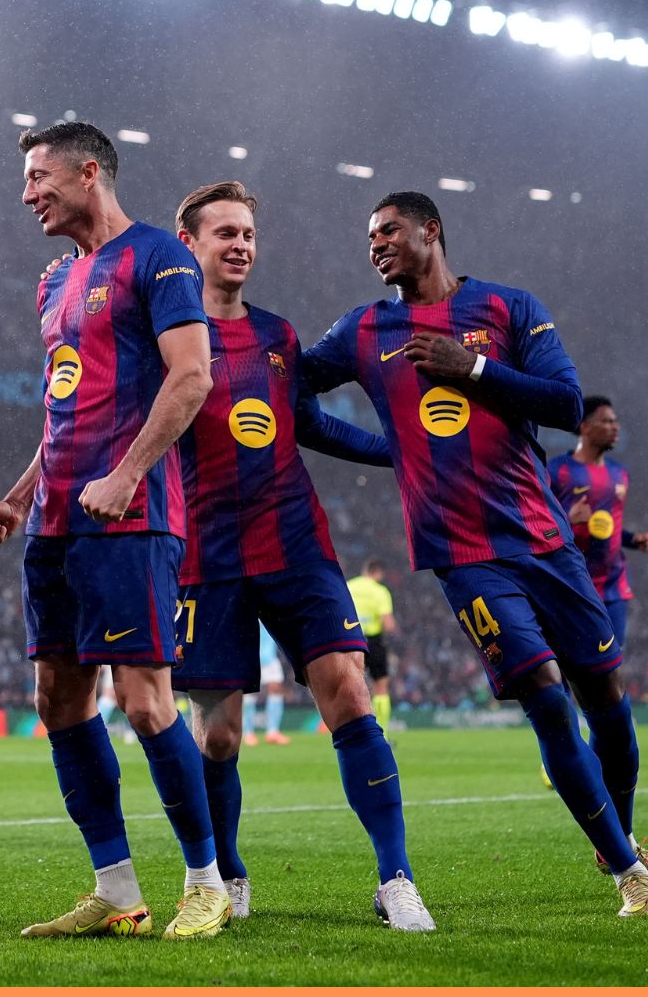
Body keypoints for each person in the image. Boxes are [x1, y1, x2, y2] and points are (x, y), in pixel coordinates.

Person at [302, 190, 648, 918]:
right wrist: (385, 450)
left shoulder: (508, 308)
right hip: (463, 555)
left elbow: (567, 405)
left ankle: (621, 838)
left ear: (432, 230)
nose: (376, 244)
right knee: (546, 696)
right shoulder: (362, 329)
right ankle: (626, 872)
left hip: (544, 538)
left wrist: (473, 369)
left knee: (606, 700)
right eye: (370, 236)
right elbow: (290, 396)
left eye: (389, 230)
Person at [0, 121, 229, 940]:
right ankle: (116, 889)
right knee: (57, 700)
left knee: (145, 701)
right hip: (54, 523)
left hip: (132, 518)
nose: (27, 194)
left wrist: (127, 475)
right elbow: (63, 409)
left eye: (39, 177)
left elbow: (192, 377)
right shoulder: (55, 282)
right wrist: (19, 497)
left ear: (89, 173)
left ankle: (207, 883)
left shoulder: (161, 257)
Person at [164, 180, 431, 930]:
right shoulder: (168, 340)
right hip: (207, 556)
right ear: (189, 244)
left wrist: (398, 453)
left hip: (295, 543)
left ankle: (396, 877)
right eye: (225, 233)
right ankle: (226, 872)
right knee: (218, 733)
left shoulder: (278, 337)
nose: (241, 245)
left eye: (248, 233)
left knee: (348, 690)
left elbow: (308, 423)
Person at [548, 397, 648, 652]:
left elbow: (610, 526)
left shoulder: (620, 473)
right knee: (571, 660)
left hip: (612, 587)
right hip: (570, 584)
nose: (615, 427)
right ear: (585, 427)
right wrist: (567, 519)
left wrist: (632, 540)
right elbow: (534, 523)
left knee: (611, 661)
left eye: (615, 421)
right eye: (607, 421)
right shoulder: (556, 471)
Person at [344, 560, 400, 737]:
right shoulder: (380, 591)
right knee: (380, 686)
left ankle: (352, 733)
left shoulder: (349, 586)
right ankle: (382, 733)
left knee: (351, 686)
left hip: (350, 640)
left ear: (365, 570)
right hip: (373, 642)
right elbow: (388, 624)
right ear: (379, 573)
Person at [238, 626, 288, 748]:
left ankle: (273, 731)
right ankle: (248, 733)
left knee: (276, 688)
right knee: (250, 693)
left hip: (270, 658)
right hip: (250, 658)